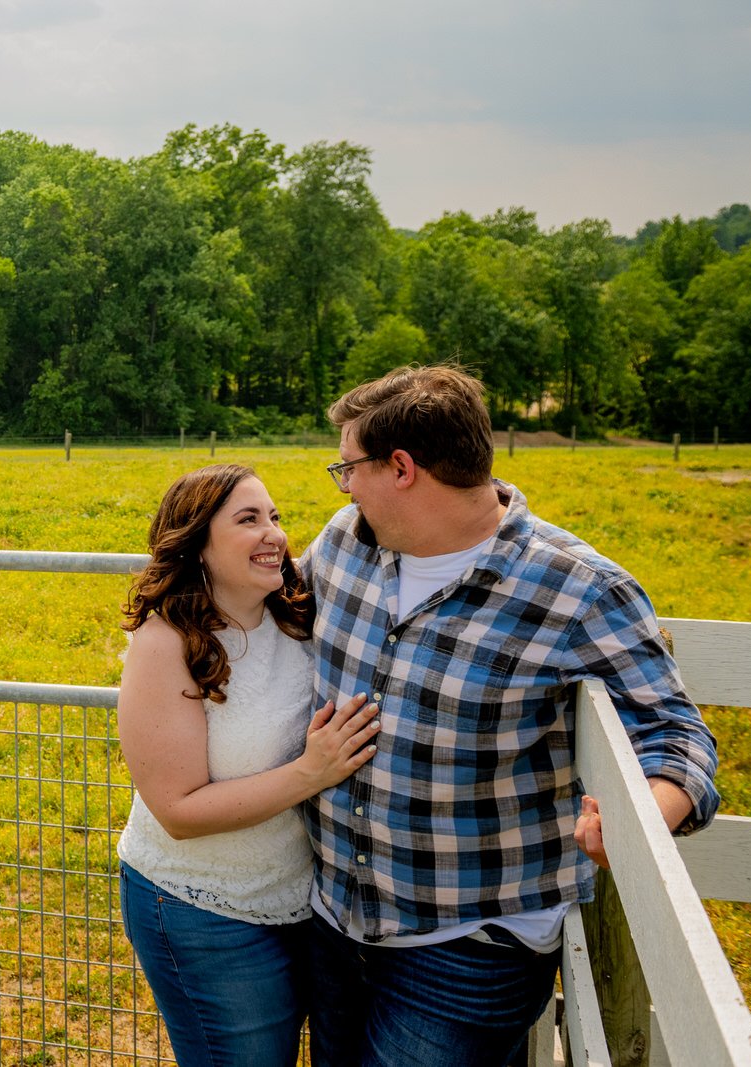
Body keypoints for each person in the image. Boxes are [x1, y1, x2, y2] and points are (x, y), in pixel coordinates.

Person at [299, 365, 720, 1067]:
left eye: (348, 468)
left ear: (401, 467)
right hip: (336, 918)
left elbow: (677, 735)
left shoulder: (578, 588)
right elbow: (266, 617)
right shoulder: (345, 543)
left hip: (469, 946)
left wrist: (644, 815)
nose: (345, 487)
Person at [116, 463, 383, 1066]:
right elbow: (178, 811)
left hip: (306, 902)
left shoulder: (297, 618)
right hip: (201, 909)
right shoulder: (167, 644)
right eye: (247, 520)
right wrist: (310, 773)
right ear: (198, 546)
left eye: (275, 517)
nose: (275, 535)